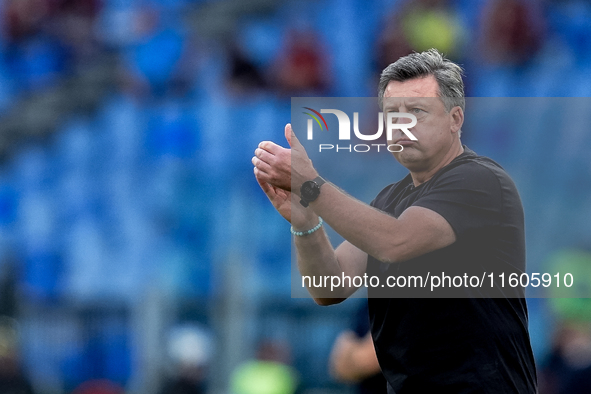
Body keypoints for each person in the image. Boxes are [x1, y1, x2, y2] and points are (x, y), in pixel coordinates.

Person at [252, 49, 537, 393]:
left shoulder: (480, 180)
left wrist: (312, 185)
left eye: (417, 112)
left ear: (455, 118)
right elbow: (330, 286)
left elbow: (396, 242)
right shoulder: (390, 199)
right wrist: (305, 219)